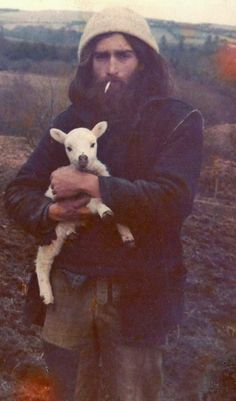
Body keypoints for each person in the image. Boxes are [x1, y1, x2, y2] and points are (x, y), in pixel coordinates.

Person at [4, 7, 203, 401]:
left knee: (133, 394)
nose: (112, 67)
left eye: (123, 55)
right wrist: (52, 212)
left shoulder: (179, 120)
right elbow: (18, 192)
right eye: (101, 56)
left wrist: (93, 184)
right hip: (69, 291)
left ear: (144, 61)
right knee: (67, 392)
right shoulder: (70, 123)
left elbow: (172, 199)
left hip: (140, 295)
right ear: (88, 63)